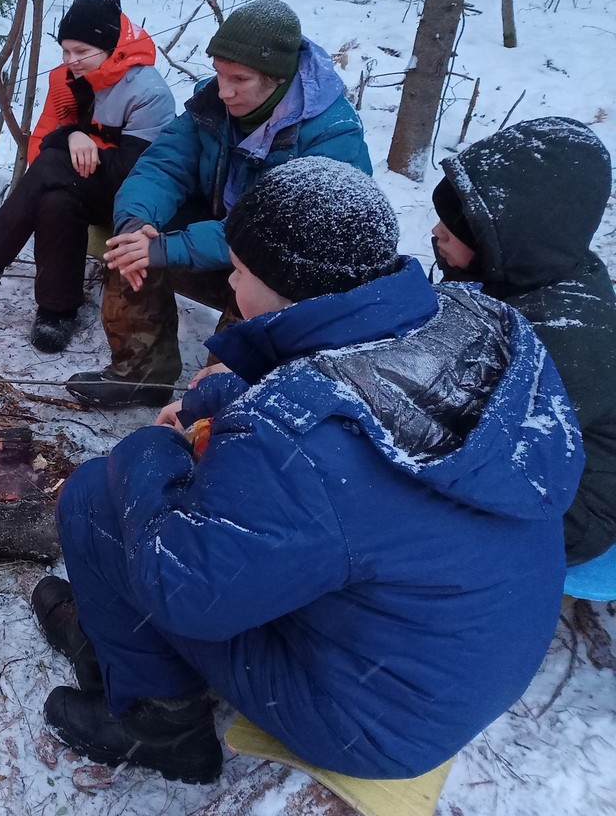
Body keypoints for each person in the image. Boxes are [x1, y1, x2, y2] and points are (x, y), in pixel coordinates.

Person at [34, 158, 582, 784]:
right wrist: (218, 399)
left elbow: (183, 588)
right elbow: (361, 389)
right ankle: (118, 642)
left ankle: (161, 725)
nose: (231, 287)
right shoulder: (470, 319)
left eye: (236, 272)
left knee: (97, 498)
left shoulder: (294, 438)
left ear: (277, 283)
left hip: (373, 719)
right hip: (460, 659)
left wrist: (146, 449)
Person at [66, 0, 372, 408]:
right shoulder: (212, 104)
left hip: (288, 272)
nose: (223, 91)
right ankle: (143, 374)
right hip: (223, 242)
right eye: (219, 74)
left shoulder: (331, 135)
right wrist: (135, 225)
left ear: (278, 77)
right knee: (132, 246)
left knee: (260, 283)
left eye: (239, 79)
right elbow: (161, 167)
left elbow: (279, 231)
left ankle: (224, 400)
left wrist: (167, 247)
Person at [0, 0, 175, 352]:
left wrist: (69, 145)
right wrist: (74, 135)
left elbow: (134, 172)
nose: (70, 60)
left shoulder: (147, 92)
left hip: (134, 198)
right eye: (65, 50)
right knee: (56, 199)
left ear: (110, 46)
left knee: (55, 167)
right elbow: (43, 141)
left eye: (81, 52)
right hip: (82, 183)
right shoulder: (66, 79)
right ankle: (56, 313)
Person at [430, 116, 616, 565]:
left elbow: (470, 447)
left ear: (499, 242)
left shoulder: (564, 339)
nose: (435, 233)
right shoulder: (523, 269)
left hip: (567, 508)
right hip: (520, 466)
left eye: (452, 232)